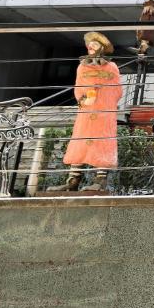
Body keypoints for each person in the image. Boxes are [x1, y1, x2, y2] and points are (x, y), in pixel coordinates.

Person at [50, 32, 122, 192]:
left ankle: (100, 181)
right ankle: (73, 180)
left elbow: (117, 91)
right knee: (80, 142)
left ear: (102, 47)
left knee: (103, 143)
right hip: (86, 112)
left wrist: (104, 100)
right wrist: (84, 99)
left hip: (104, 113)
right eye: (90, 44)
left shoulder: (112, 67)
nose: (91, 47)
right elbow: (79, 87)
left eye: (95, 44)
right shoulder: (82, 66)